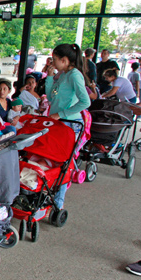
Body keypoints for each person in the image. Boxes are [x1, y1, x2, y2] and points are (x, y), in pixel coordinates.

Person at [42, 43, 91, 210]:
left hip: (70, 124)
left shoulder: (75, 75)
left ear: (64, 60)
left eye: (54, 59)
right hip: (58, 123)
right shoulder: (63, 74)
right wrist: (49, 77)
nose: (52, 62)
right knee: (51, 160)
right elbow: (51, 97)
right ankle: (48, 196)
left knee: (63, 163)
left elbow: (85, 102)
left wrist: (61, 114)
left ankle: (58, 203)